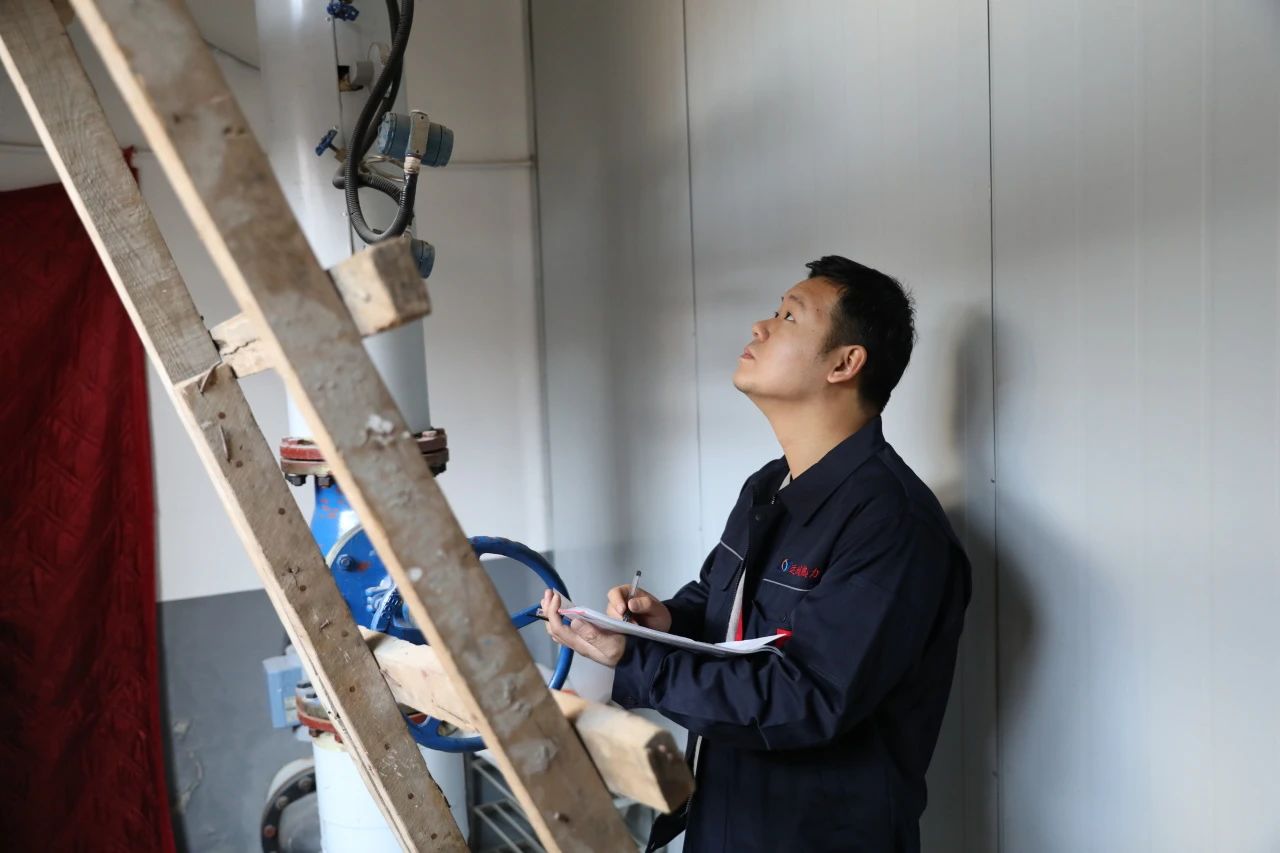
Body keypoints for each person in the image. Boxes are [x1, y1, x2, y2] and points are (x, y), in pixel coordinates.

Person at [543, 255, 972, 852]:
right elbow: (720, 605)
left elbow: (809, 697)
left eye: (789, 316)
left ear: (845, 364)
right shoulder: (768, 485)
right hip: (724, 815)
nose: (760, 327)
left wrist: (639, 661)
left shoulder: (893, 523)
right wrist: (662, 622)